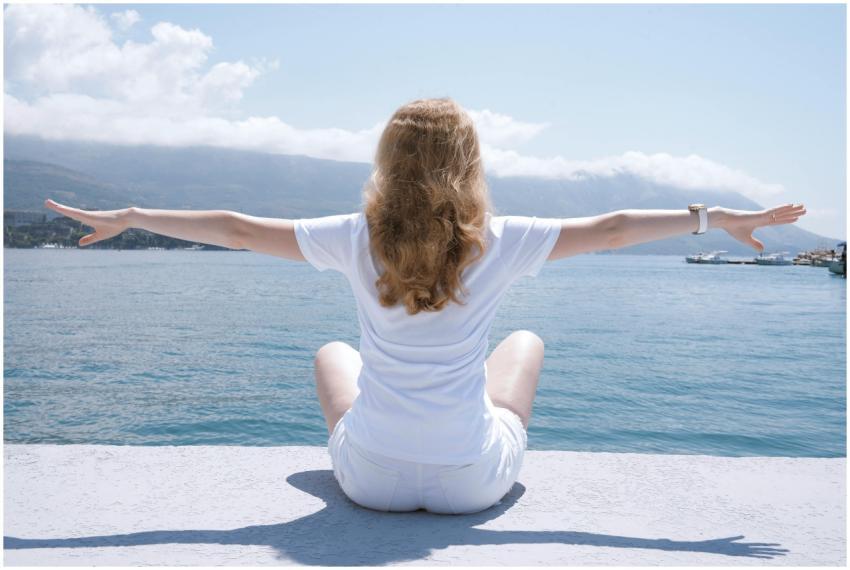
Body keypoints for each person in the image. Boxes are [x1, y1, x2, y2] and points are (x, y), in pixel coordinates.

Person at [44, 97, 806, 515]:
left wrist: (136, 214)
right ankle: (459, 422)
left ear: (386, 161)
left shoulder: (353, 237)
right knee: (524, 343)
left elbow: (239, 230)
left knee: (332, 354)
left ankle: (398, 432)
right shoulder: (499, 241)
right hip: (473, 480)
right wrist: (713, 219)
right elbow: (609, 230)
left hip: (369, 482)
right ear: (470, 165)